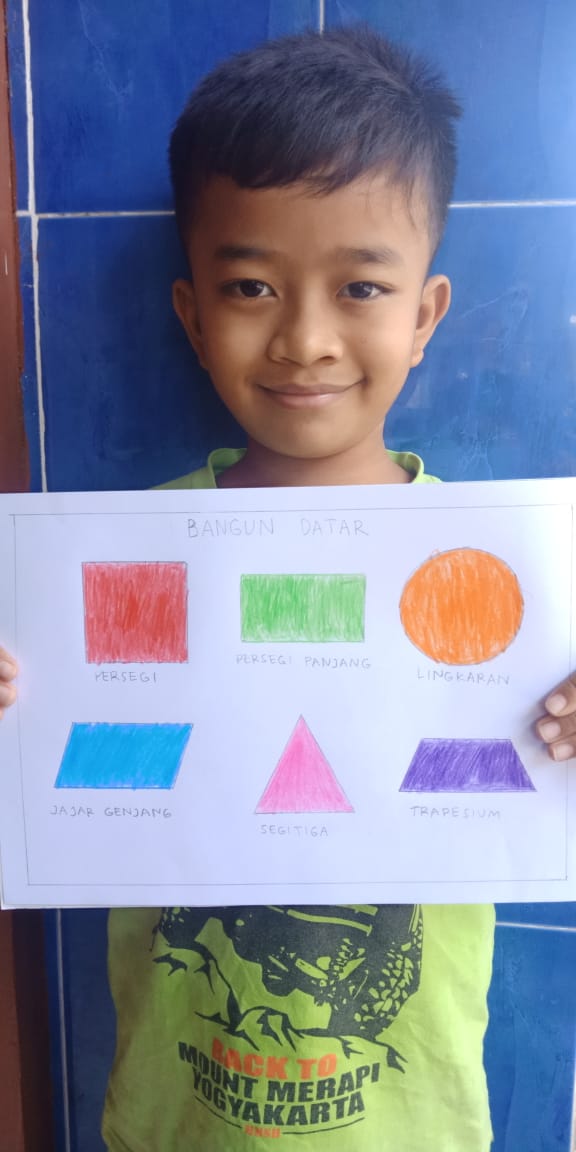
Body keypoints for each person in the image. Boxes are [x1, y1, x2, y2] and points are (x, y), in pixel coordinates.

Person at [1, 24, 576, 1152]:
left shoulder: (506, 584)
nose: (306, 340)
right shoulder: (114, 572)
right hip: (173, 1121)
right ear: (191, 314)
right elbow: (53, 778)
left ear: (425, 315)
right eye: (252, 286)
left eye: (360, 286)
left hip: (411, 1128)